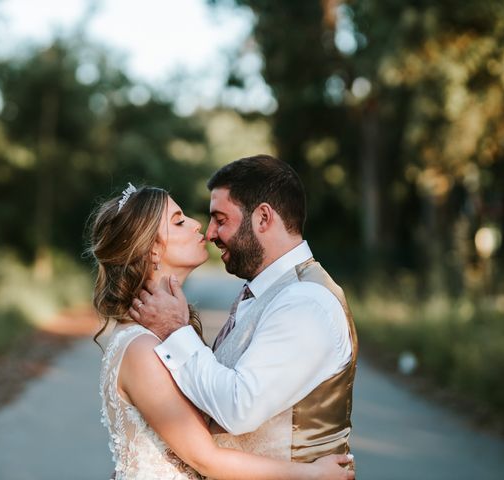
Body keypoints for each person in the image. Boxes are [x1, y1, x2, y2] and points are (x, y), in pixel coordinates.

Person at [90, 183, 354, 479]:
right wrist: (312, 474)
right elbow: (207, 458)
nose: (196, 224)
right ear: (152, 249)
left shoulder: (161, 335)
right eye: (179, 221)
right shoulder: (142, 349)